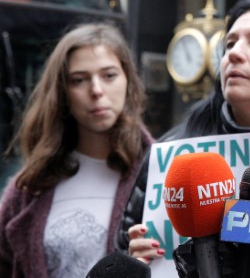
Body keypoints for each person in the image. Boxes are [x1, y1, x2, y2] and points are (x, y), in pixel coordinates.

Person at [117, 0, 250, 262]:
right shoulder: (172, 151)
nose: (234, 54)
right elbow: (124, 243)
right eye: (229, 44)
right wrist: (132, 255)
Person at [0, 23, 153, 277]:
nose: (96, 90)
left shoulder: (162, 172)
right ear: (62, 92)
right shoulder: (28, 189)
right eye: (79, 80)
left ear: (128, 81)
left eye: (109, 75)